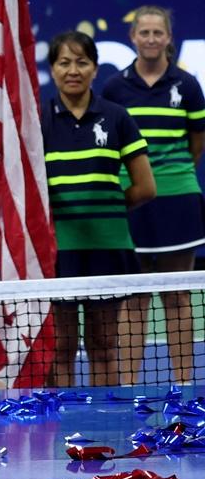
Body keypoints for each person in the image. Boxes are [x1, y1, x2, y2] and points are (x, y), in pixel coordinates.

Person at [43, 31, 156, 388]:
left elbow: (145, 187)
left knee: (104, 344)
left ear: (94, 68)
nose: (73, 70)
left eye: (82, 62)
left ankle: (105, 423)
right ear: (52, 69)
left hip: (108, 248)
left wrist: (105, 203)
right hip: (58, 250)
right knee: (60, 346)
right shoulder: (37, 119)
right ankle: (64, 427)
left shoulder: (116, 117)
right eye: (64, 62)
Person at [102, 8, 205, 386]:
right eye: (143, 32)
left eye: (157, 32)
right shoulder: (114, 87)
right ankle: (130, 386)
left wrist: (167, 175)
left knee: (178, 296)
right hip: (135, 200)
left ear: (168, 38)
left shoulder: (188, 85)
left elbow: (197, 143)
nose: (150, 38)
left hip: (178, 199)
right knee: (134, 298)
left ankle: (184, 385)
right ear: (132, 36)